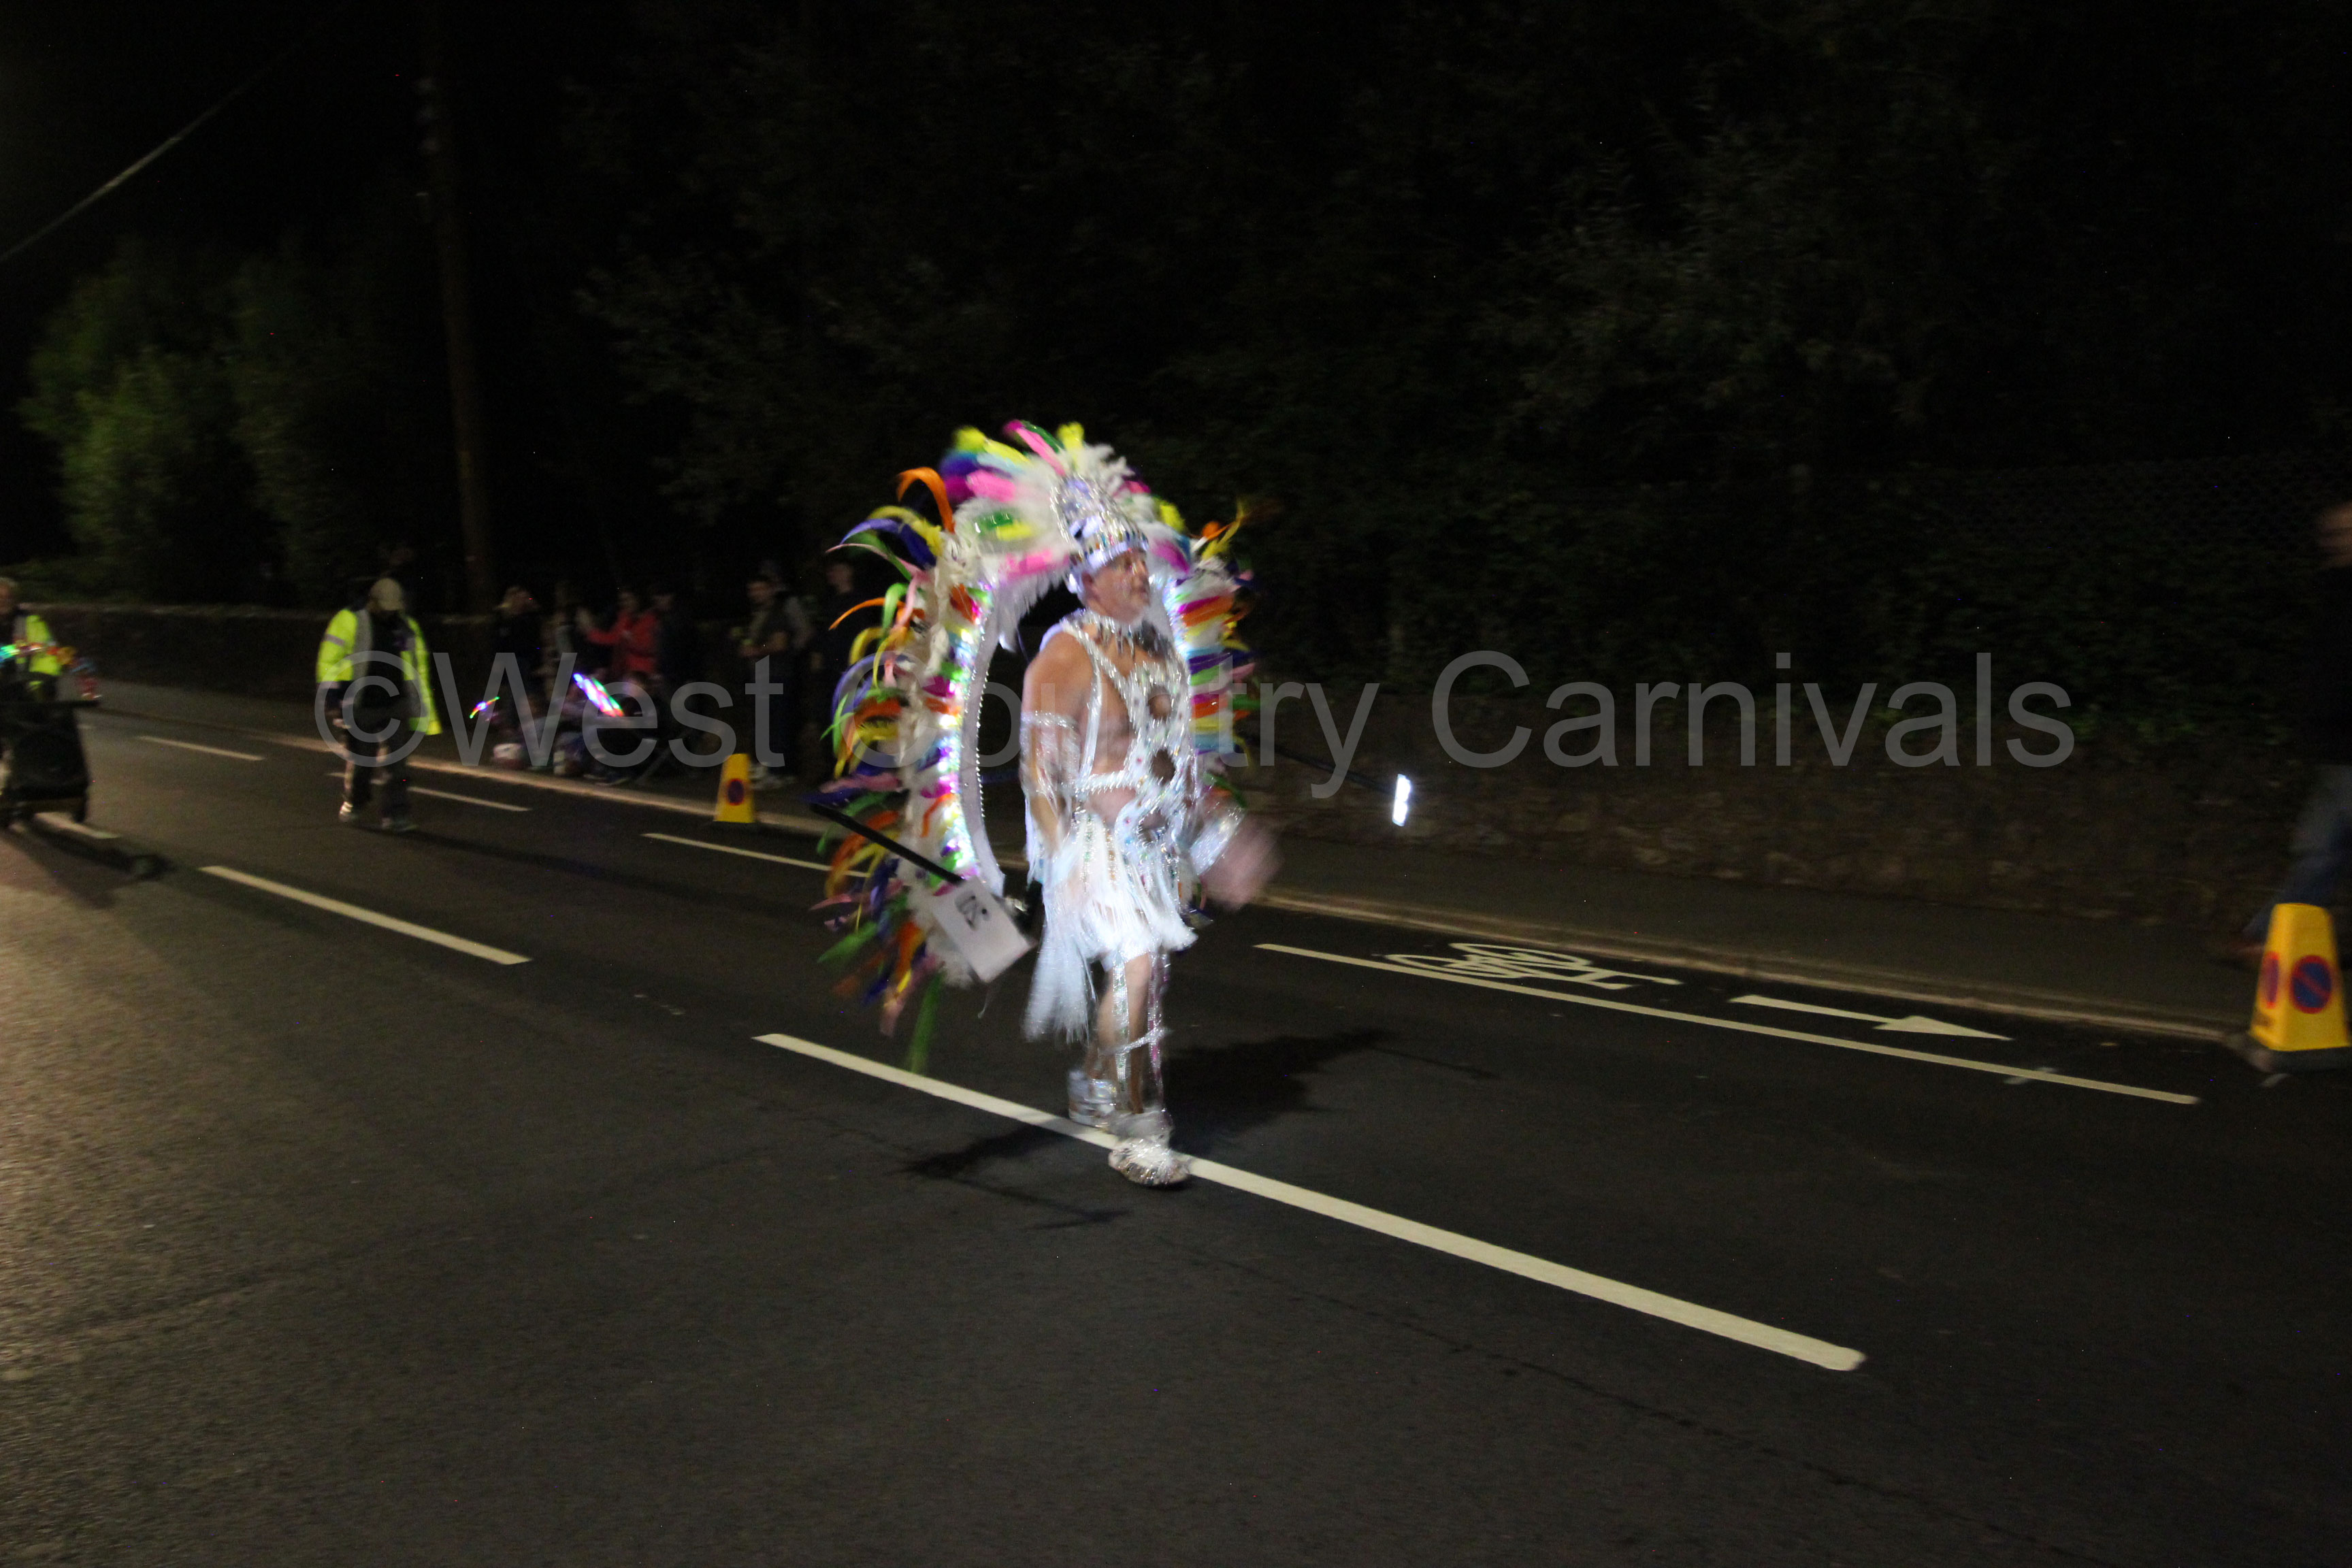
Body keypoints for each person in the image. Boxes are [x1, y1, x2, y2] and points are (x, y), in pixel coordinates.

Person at [1022, 535, 1277, 1186]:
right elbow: (1041, 773)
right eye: (1121, 564)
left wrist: (1217, 835)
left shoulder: (1160, 651)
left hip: (1153, 843)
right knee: (1136, 964)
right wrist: (1063, 857)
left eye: (1140, 560)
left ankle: (1094, 1075)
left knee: (1147, 973)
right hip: (1093, 842)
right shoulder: (1063, 657)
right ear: (1087, 581)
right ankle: (1138, 1127)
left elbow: (1178, 758)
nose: (1140, 572)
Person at [2240, 502, 2352, 957]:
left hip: (2340, 742)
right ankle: (2269, 937)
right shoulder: (2333, 589)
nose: (2338, 541)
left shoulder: (2335, 591)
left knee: (2321, 849)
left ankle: (2267, 937)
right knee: (2319, 849)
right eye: (2334, 533)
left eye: (2347, 532)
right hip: (2337, 744)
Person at [316, 577, 442, 832]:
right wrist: (333, 696)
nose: (389, 613)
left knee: (399, 767)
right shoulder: (349, 620)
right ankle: (355, 801)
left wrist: (420, 709)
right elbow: (329, 659)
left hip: (396, 704)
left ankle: (397, 814)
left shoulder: (406, 626)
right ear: (372, 601)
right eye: (386, 608)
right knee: (363, 762)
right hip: (361, 704)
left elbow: (419, 667)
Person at [737, 573, 811, 787]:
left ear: (771, 590)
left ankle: (779, 772)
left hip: (775, 673)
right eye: (752, 590)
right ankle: (774, 769)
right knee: (766, 724)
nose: (756, 594)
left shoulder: (777, 613)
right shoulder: (759, 613)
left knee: (777, 724)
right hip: (762, 674)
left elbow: (779, 644)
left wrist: (755, 650)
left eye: (760, 589)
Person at [582, 587, 659, 686]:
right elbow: (613, 638)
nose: (625, 603)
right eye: (622, 600)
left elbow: (650, 647)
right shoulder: (625, 618)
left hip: (643, 673)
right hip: (625, 671)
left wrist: (630, 640)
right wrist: (591, 633)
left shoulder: (651, 620)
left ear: (638, 599)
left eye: (628, 599)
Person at [0, 578, 63, 682]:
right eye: (0, 597)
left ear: (15, 600)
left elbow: (48, 651)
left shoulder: (32, 623)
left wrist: (38, 683)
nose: (3, 601)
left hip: (23, 684)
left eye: (8, 597)